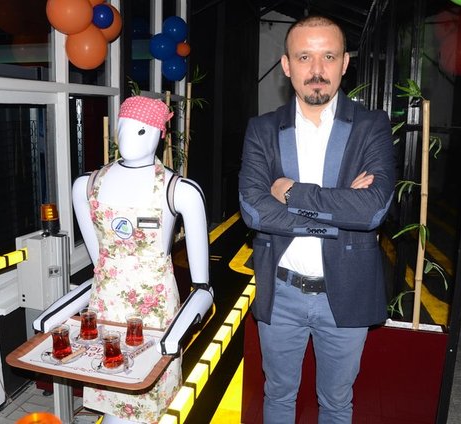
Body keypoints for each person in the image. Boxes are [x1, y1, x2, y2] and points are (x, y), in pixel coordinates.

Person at [238, 15, 396, 423]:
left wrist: (291, 192)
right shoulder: (262, 130)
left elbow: (373, 209)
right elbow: (254, 209)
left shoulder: (371, 125)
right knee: (277, 396)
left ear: (345, 63)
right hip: (282, 291)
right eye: (304, 57)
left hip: (346, 291)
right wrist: (337, 214)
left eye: (328, 56)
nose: (317, 69)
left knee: (337, 403)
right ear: (286, 65)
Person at [72, 96, 210, 423]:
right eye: (125, 127)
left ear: (159, 135)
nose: (130, 136)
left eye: (142, 129)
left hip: (155, 311)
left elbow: (203, 285)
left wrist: (187, 319)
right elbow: (100, 260)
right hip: (106, 307)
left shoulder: (180, 190)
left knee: (151, 396)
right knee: (112, 389)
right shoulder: (86, 186)